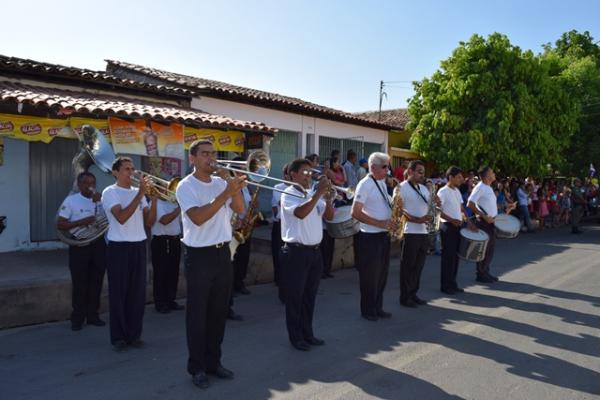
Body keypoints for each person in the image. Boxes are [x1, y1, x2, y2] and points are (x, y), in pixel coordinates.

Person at [175, 140, 247, 389]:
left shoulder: (220, 183)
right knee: (198, 315)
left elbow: (240, 209)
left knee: (218, 312)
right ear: (192, 158)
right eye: (205, 154)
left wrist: (232, 186)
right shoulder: (186, 186)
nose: (211, 158)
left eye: (213, 153)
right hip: (199, 256)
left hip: (222, 253)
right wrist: (225, 193)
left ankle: (214, 362)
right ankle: (196, 367)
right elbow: (198, 218)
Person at [101, 157, 157, 351]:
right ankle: (118, 337)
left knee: (137, 294)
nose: (131, 173)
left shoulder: (138, 193)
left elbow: (149, 222)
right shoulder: (110, 192)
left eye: (132, 169)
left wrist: (155, 197)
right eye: (126, 169)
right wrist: (141, 192)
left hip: (139, 245)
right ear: (115, 172)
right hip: (119, 247)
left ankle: (134, 335)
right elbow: (122, 217)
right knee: (118, 294)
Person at [280, 158, 334, 351]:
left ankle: (308, 333)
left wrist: (327, 198)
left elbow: (329, 217)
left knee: (309, 296)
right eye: (304, 172)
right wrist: (319, 193)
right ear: (293, 174)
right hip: (296, 252)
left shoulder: (312, 193)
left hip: (314, 252)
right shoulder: (288, 193)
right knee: (295, 297)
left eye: (310, 172)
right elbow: (301, 213)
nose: (308, 175)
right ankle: (296, 337)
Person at [57, 172, 106, 331]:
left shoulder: (100, 200)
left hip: (98, 243)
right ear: (79, 185)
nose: (90, 186)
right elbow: (61, 225)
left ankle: (93, 315)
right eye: (86, 183)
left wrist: (101, 204)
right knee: (79, 282)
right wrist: (82, 222)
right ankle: (77, 318)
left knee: (96, 280)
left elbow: (108, 220)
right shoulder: (71, 201)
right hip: (79, 245)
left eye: (93, 182)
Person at [351, 152, 395, 321]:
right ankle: (368, 310)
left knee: (382, 275)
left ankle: (378, 307)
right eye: (385, 167)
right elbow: (355, 212)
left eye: (388, 166)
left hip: (382, 236)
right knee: (370, 276)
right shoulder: (365, 184)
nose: (388, 170)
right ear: (373, 167)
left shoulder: (382, 183)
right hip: (370, 237)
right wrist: (380, 223)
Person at [437, 166, 477, 295]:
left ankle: (453, 284)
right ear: (450, 177)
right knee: (448, 258)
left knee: (455, 257)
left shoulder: (457, 191)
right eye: (458, 177)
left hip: (458, 226)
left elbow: (461, 208)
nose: (461, 179)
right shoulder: (443, 192)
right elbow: (438, 211)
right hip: (447, 227)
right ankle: (445, 286)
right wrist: (452, 220)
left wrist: (468, 221)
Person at [399, 160, 432, 308]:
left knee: (418, 267)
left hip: (423, 233)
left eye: (423, 173)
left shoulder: (424, 189)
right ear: (410, 172)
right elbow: (399, 210)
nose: (422, 175)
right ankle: (405, 297)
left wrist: (435, 204)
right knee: (408, 267)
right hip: (410, 232)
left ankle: (413, 293)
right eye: (419, 172)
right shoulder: (401, 188)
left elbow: (429, 207)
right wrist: (416, 219)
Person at [150, 198, 183, 314]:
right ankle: (160, 302)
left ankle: (170, 300)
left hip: (175, 239)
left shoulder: (173, 203)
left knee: (173, 271)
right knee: (161, 272)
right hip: (161, 240)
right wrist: (179, 208)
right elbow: (164, 220)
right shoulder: (156, 203)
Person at [468, 166, 499, 283]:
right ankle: (481, 273)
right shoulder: (480, 187)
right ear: (486, 176)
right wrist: (484, 216)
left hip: (491, 222)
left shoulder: (488, 187)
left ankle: (485, 271)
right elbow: (470, 203)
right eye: (492, 172)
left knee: (490, 248)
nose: (494, 174)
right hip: (484, 222)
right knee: (484, 249)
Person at [271, 163, 290, 301]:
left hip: (291, 225)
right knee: (279, 255)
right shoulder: (278, 187)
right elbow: (276, 206)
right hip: (280, 224)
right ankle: (280, 282)